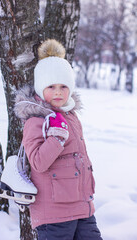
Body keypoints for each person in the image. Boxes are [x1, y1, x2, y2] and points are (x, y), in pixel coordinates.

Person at [14, 39, 102, 240]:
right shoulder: (36, 120)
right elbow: (38, 162)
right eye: (51, 86)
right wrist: (56, 138)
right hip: (54, 213)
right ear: (40, 87)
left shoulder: (71, 116)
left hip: (83, 207)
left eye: (64, 86)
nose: (58, 92)